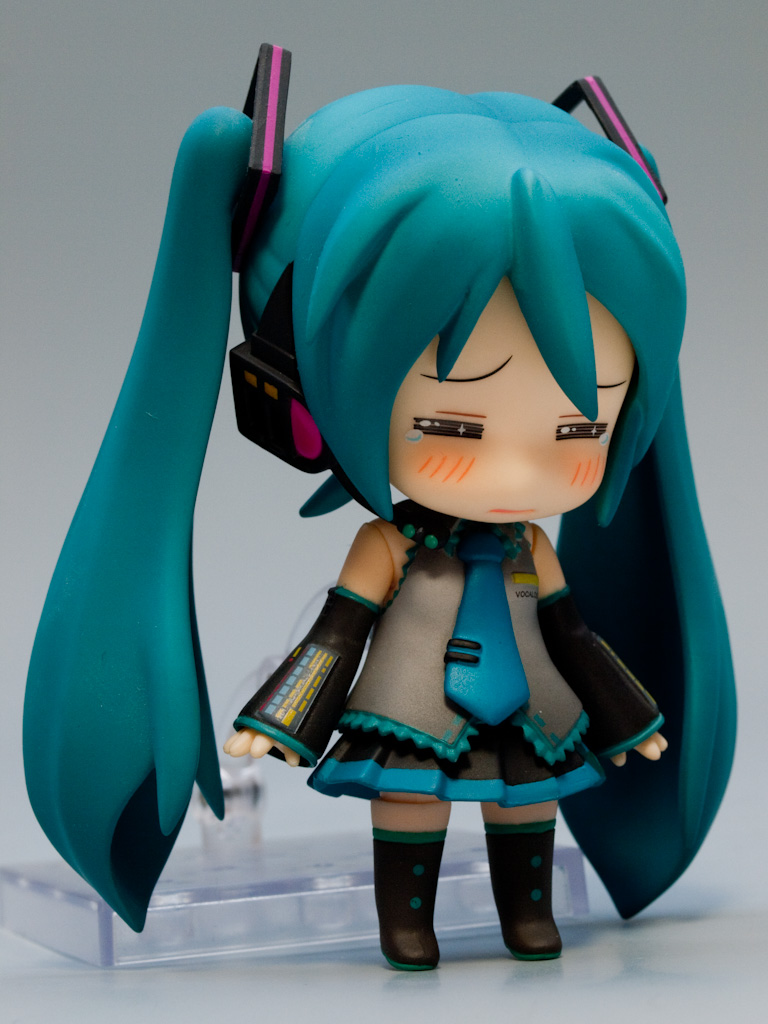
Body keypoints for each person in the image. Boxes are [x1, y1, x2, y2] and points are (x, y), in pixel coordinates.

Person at [25, 77, 735, 967]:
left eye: (578, 431)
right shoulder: (388, 548)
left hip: (534, 717)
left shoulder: (533, 551)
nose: (518, 475)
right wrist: (281, 719)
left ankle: (530, 918)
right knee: (411, 803)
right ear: (299, 393)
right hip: (411, 711)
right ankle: (408, 925)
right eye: (455, 426)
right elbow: (337, 634)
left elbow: (575, 636)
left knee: (530, 803)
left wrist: (629, 715)